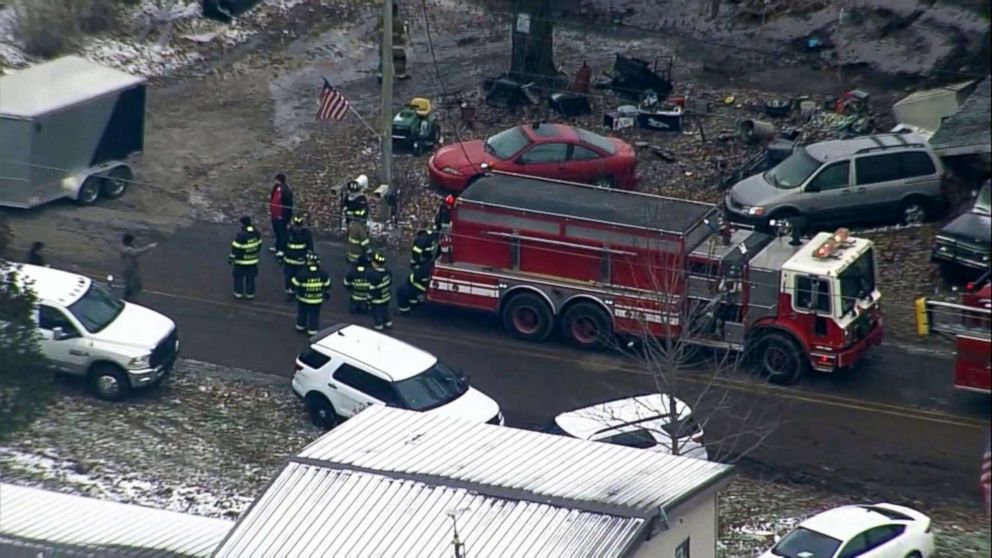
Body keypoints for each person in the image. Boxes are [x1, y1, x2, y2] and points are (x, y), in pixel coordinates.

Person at [291, 252, 331, 335]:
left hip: (303, 299)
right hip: (317, 300)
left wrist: (293, 293)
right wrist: (327, 293)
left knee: (302, 313)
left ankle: (300, 326)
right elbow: (327, 285)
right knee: (314, 315)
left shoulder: (302, 273)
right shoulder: (323, 273)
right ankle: (312, 330)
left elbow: (294, 284)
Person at [230, 216, 263, 300]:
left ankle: (238, 293)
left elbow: (235, 248)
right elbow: (259, 244)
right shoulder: (256, 233)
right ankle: (250, 294)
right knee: (250, 278)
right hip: (253, 260)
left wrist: (231, 258)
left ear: (243, 224)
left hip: (241, 261)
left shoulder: (241, 235)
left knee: (238, 277)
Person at [282, 214, 314, 300]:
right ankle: (290, 292)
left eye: (298, 226)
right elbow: (283, 244)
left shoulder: (307, 234)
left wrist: (309, 258)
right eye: (296, 226)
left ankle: (299, 292)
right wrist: (282, 256)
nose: (297, 228)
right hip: (289, 261)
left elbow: (310, 247)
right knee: (288, 278)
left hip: (301, 261)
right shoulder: (288, 233)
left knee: (300, 278)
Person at [119, 234, 158, 301]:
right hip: (129, 271)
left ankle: (129, 299)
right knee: (132, 286)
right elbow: (137, 252)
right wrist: (149, 247)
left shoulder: (130, 247)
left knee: (136, 285)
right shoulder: (126, 249)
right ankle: (128, 300)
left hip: (132, 270)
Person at [376, 3, 410, 80]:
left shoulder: (381, 20)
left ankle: (380, 75)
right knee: (400, 60)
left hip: (383, 46)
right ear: (396, 11)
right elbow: (404, 37)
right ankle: (401, 75)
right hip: (397, 48)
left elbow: (377, 31)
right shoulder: (401, 23)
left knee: (383, 60)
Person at [269, 173, 294, 258]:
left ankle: (282, 249)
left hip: (281, 216)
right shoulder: (276, 188)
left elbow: (288, 206)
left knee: (282, 233)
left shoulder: (286, 191)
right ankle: (277, 247)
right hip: (274, 215)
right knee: (277, 232)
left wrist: (287, 218)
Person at [366, 252, 393, 330]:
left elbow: (371, 290)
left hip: (377, 299)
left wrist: (368, 300)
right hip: (386, 296)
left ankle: (378, 326)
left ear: (375, 263)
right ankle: (388, 323)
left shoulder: (373, 276)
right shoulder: (388, 272)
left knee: (377, 312)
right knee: (385, 310)